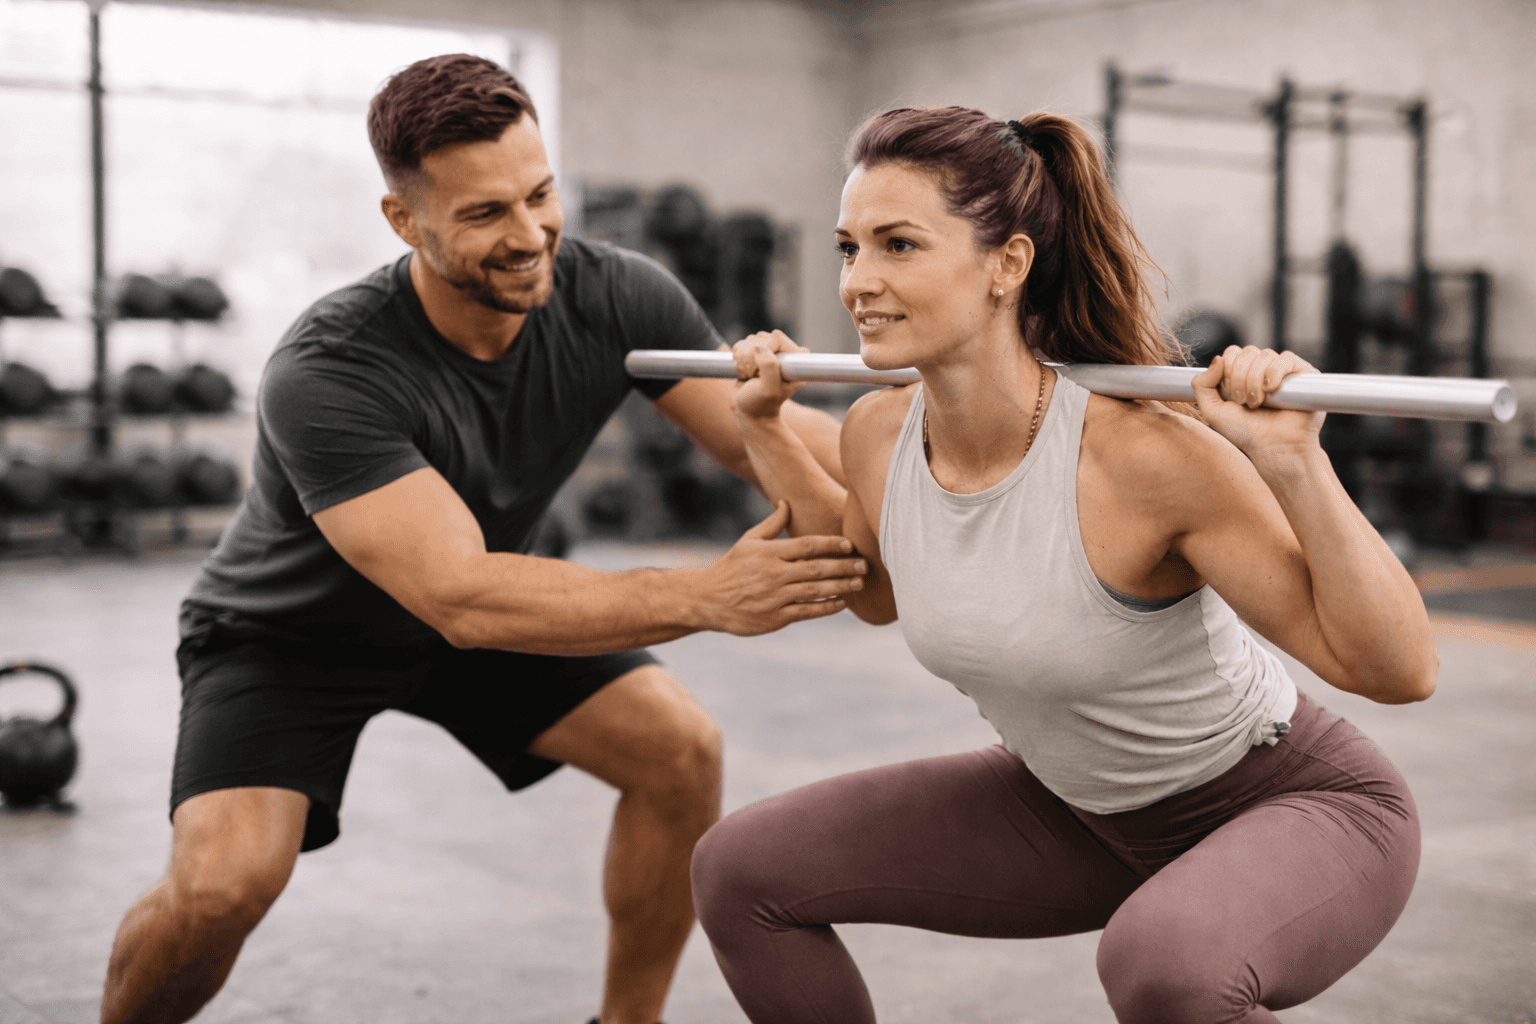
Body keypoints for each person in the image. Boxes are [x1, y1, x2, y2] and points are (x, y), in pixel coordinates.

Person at [99, 54, 868, 1024]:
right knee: (223, 886)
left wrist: (958, 454)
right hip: (293, 638)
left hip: (486, 609)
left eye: (539, 194)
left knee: (678, 753)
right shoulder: (329, 368)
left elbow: (769, 438)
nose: (530, 235)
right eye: (485, 213)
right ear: (403, 220)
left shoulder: (615, 295)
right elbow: (458, 594)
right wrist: (709, 594)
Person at [689, 106, 1438, 1023]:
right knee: (740, 872)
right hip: (1079, 812)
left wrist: (1294, 463)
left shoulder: (1145, 458)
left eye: (899, 245)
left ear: (1008, 264)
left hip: (1286, 802)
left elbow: (1398, 670)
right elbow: (873, 594)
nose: (858, 282)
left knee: (1164, 967)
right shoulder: (879, 431)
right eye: (851, 248)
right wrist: (765, 429)